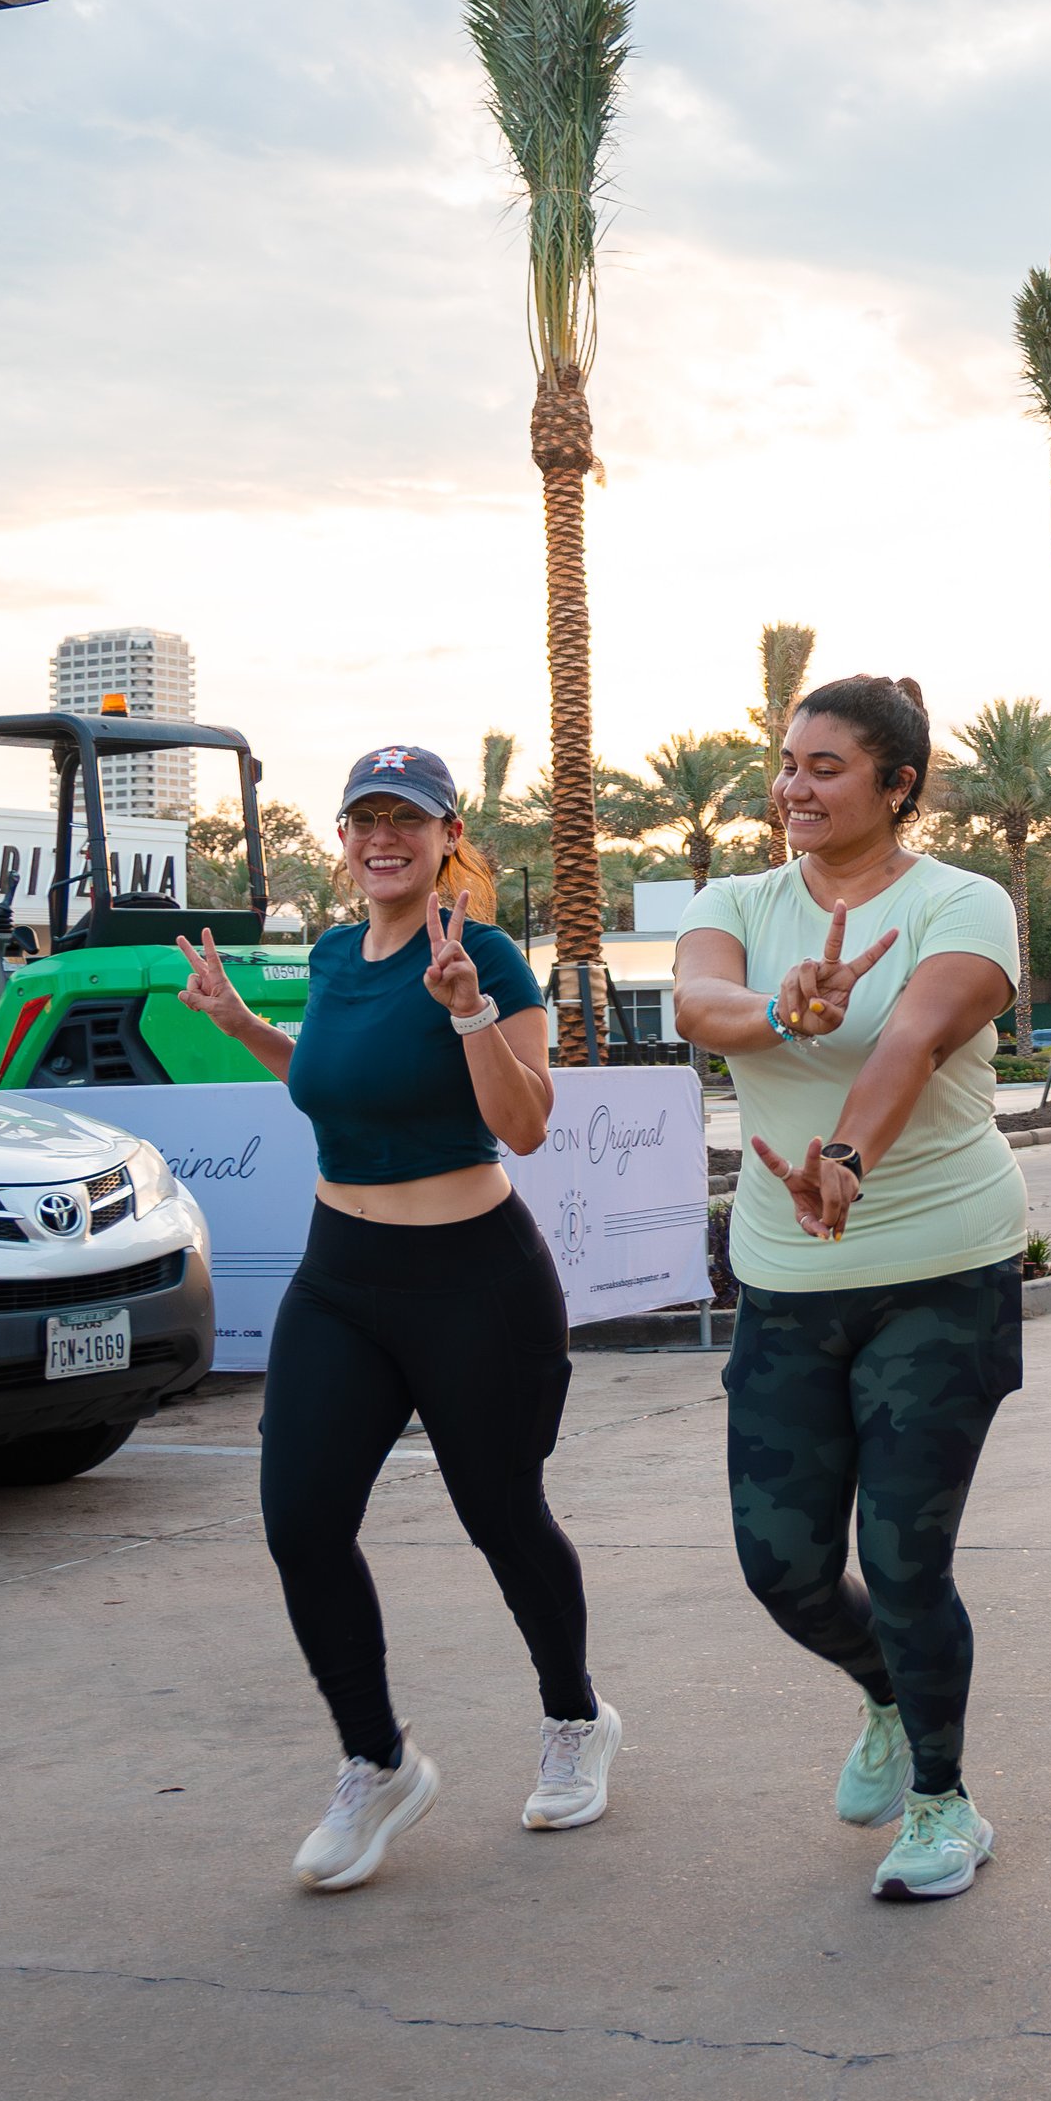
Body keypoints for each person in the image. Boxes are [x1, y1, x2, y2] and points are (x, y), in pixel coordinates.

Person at [177, 744, 619, 1891]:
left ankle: (575, 1720)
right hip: (340, 1277)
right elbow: (333, 1083)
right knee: (300, 1519)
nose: (384, 836)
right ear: (343, 838)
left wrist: (470, 1013)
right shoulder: (333, 955)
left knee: (503, 1516)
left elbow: (523, 1126)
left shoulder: (488, 959)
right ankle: (377, 1764)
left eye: (406, 819)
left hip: (475, 1278)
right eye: (364, 817)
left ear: (446, 837)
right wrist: (238, 1024)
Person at [672, 674, 1025, 1903]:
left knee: (904, 1557)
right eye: (788, 762)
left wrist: (845, 1158)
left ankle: (942, 1803)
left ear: (898, 786)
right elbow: (698, 1001)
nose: (794, 787)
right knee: (784, 1565)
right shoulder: (739, 901)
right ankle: (882, 1691)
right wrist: (777, 1003)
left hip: (939, 1272)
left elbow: (913, 1036)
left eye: (826, 767)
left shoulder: (962, 903)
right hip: (784, 1281)